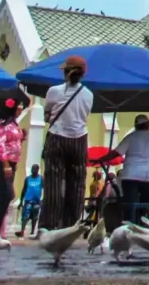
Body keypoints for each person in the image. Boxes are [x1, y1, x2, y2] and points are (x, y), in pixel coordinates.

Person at [41, 55, 94, 230]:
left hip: (57, 137)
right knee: (77, 184)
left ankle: (50, 225)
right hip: (79, 139)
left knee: (53, 183)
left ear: (64, 72)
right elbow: (84, 115)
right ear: (83, 74)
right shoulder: (89, 94)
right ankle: (71, 225)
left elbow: (47, 114)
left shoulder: (54, 91)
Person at [96, 113, 149, 225]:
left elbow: (116, 152)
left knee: (129, 204)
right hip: (147, 176)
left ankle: (129, 225)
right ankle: (142, 221)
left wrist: (101, 159)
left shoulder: (130, 137)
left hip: (130, 176)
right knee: (146, 203)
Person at [0, 95, 27, 235]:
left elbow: (11, 143)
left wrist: (22, 137)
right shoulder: (1, 125)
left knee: (5, 193)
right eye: (19, 106)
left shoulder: (13, 124)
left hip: (10, 163)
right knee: (7, 193)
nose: (21, 109)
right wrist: (6, 164)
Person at [16, 163, 43, 238]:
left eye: (35, 169)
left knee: (35, 217)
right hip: (28, 200)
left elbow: (45, 189)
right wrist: (21, 201)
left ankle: (32, 231)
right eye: (32, 169)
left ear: (38, 170)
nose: (33, 171)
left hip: (37, 201)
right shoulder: (27, 179)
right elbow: (23, 190)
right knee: (25, 216)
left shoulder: (41, 178)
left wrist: (43, 200)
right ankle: (22, 231)